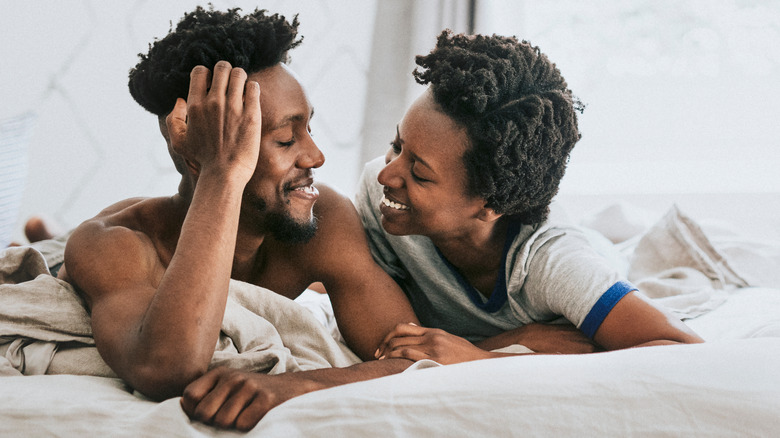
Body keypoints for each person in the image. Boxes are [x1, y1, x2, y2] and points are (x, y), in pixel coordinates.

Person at [58, 6, 427, 430]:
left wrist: (298, 386)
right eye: (286, 139)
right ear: (189, 142)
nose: (316, 156)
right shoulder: (114, 244)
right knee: (60, 250)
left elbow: (413, 357)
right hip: (102, 241)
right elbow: (168, 368)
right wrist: (219, 171)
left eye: (308, 129)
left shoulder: (323, 216)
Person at [358, 31, 704, 365]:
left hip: (593, 253)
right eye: (397, 145)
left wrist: (483, 359)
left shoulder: (555, 266)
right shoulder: (381, 197)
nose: (386, 174)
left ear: (491, 204)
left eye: (419, 173)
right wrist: (513, 340)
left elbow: (685, 350)